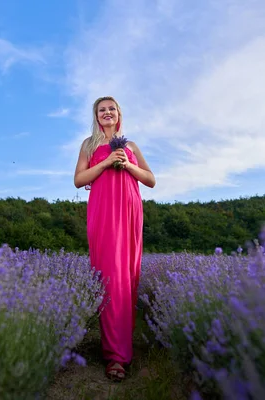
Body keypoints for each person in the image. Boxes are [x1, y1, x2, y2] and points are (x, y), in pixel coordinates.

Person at [73, 96, 156, 381]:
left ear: (119, 114)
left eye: (111, 108)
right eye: (101, 110)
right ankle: (114, 356)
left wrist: (128, 166)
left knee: (127, 278)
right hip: (103, 211)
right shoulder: (88, 144)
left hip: (129, 208)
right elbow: (79, 180)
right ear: (96, 116)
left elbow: (150, 179)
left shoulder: (131, 146)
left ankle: (122, 349)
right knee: (109, 276)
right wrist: (108, 161)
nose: (107, 112)